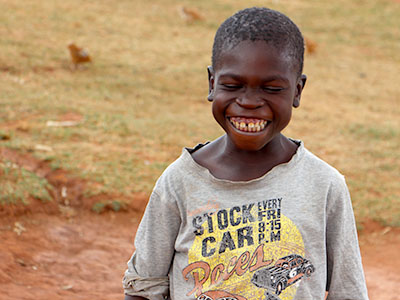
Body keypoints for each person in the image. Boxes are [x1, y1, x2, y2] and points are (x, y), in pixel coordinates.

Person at [123, 7, 369, 300]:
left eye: (271, 88)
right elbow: (143, 288)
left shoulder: (324, 185)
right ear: (212, 84)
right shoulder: (180, 181)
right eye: (233, 85)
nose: (249, 102)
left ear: (297, 91)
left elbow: (348, 291)